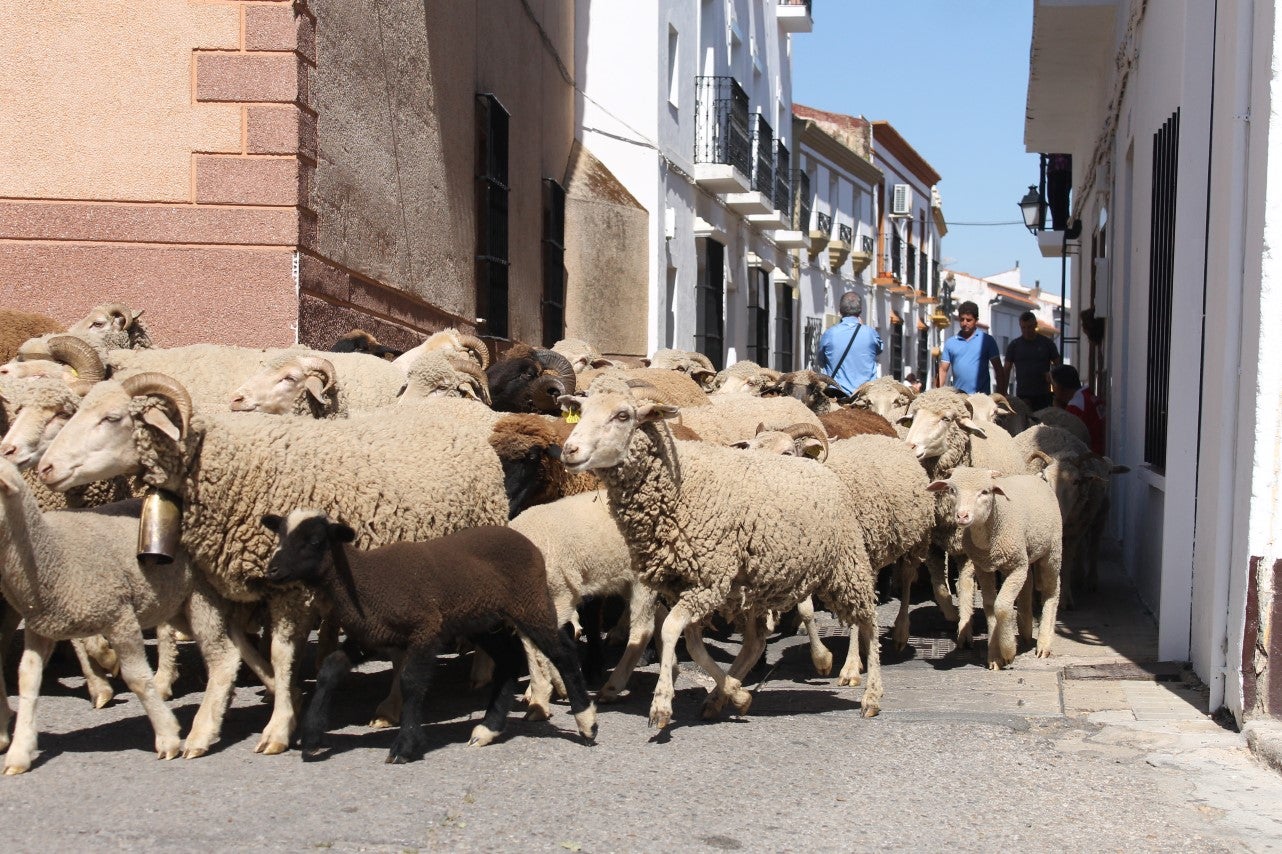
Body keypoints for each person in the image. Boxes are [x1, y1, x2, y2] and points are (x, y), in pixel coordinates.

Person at [817, 291, 882, 395]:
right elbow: (879, 350)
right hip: (865, 395)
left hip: (836, 395)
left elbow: (821, 361)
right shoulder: (871, 333)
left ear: (840, 310)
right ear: (860, 311)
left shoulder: (829, 334)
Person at [937, 301, 1004, 394]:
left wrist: (1001, 394)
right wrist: (935, 394)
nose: (964, 323)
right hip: (959, 398)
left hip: (981, 399)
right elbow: (943, 370)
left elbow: (998, 369)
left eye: (968, 320)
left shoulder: (987, 340)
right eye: (962, 319)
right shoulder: (950, 343)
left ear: (976, 320)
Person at [1003, 310, 1061, 411]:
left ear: (1035, 325)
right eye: (1023, 327)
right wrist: (1003, 392)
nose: (1026, 330)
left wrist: (1052, 375)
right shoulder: (1014, 345)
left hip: (1044, 394)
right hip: (1023, 394)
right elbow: (1006, 369)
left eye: (1029, 327)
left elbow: (1059, 366)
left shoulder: (1047, 343)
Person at [1051, 364, 1105, 454]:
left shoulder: (1075, 407)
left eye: (1053, 385)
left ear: (1060, 387)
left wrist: (1057, 411)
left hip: (1092, 454)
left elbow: (1067, 438)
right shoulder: (1087, 395)